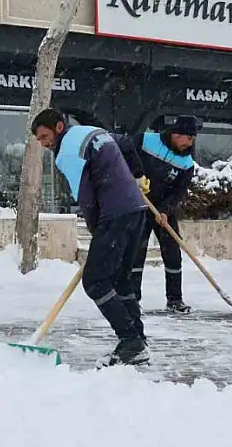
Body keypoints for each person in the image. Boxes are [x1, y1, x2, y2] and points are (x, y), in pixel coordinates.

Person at [30, 108, 151, 367]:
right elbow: (127, 145)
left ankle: (130, 340)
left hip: (115, 213)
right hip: (137, 210)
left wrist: (99, 233)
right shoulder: (94, 132)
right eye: (39, 140)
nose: (43, 143)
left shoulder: (67, 152)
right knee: (120, 279)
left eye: (44, 136)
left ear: (58, 128)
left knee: (95, 281)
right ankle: (138, 340)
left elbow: (85, 197)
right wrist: (137, 175)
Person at [122, 116, 199, 313]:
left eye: (192, 139)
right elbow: (123, 156)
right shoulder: (145, 140)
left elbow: (179, 191)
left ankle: (175, 299)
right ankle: (132, 298)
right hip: (138, 205)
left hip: (163, 210)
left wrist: (166, 210)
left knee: (173, 252)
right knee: (136, 252)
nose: (190, 143)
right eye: (187, 138)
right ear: (175, 134)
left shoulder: (187, 163)